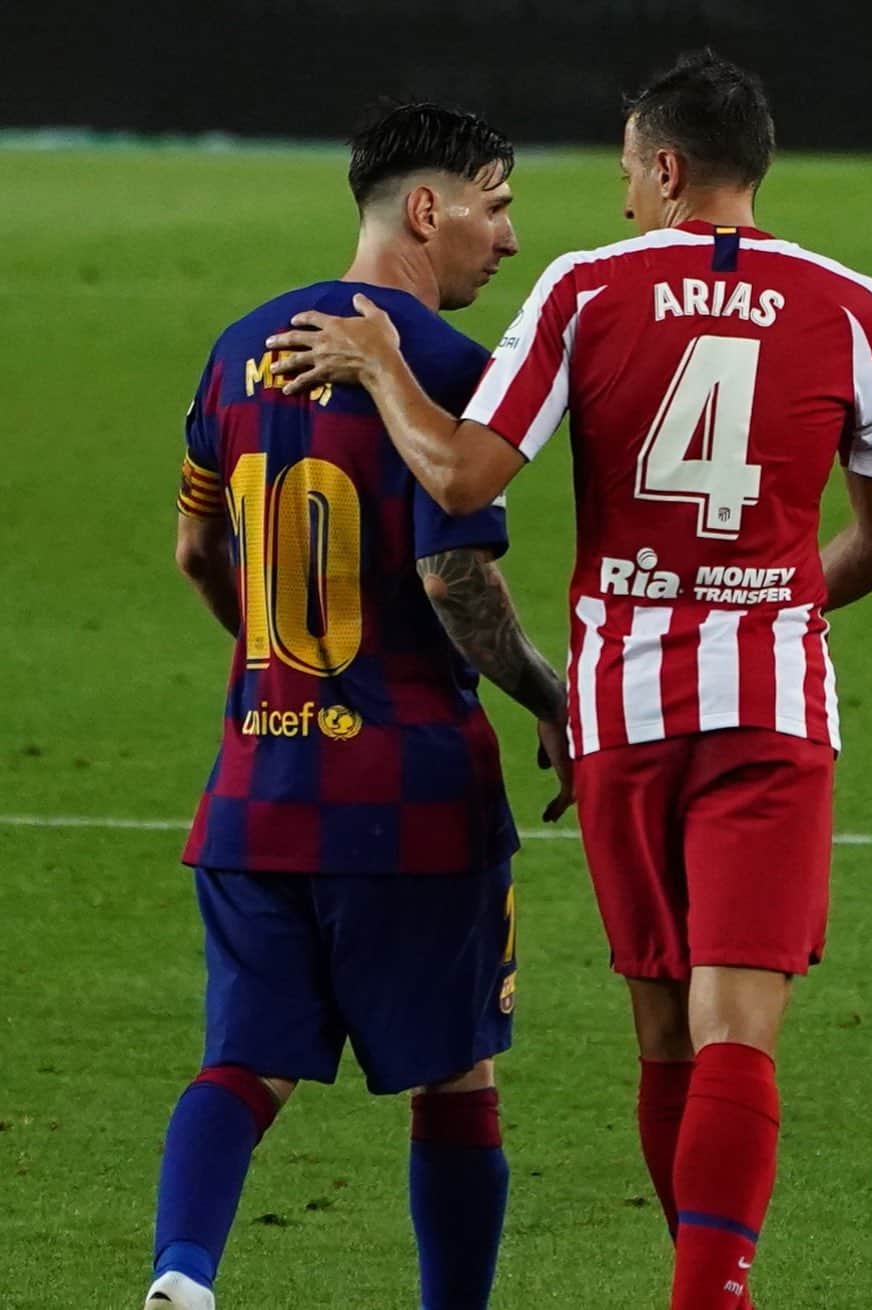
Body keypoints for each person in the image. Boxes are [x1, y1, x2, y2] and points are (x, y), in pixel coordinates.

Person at [266, 49, 872, 1309]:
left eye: (628, 170)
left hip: (620, 702)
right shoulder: (854, 304)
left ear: (668, 168)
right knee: (741, 1030)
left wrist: (381, 365)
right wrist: (772, 605)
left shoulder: (586, 289)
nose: (621, 195)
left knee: (668, 1034)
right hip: (769, 702)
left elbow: (460, 479)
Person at [148, 101, 571, 1310]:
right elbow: (453, 574)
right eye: (494, 208)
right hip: (412, 797)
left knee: (243, 1063)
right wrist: (543, 691)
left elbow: (192, 549)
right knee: (454, 1082)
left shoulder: (234, 344)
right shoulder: (443, 369)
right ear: (427, 209)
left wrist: (282, 661)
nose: (507, 241)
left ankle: (182, 1271)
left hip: (255, 787)